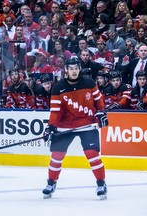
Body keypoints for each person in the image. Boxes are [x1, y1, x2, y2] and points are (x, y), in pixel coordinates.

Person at [42, 58, 108, 199]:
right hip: (65, 126)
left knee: (92, 154)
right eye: (71, 68)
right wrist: (51, 126)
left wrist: (101, 112)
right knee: (56, 157)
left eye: (76, 68)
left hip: (87, 124)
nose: (73, 71)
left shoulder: (89, 82)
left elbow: (98, 100)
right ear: (66, 70)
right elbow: (55, 111)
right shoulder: (58, 87)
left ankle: (101, 184)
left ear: (79, 69)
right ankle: (51, 183)